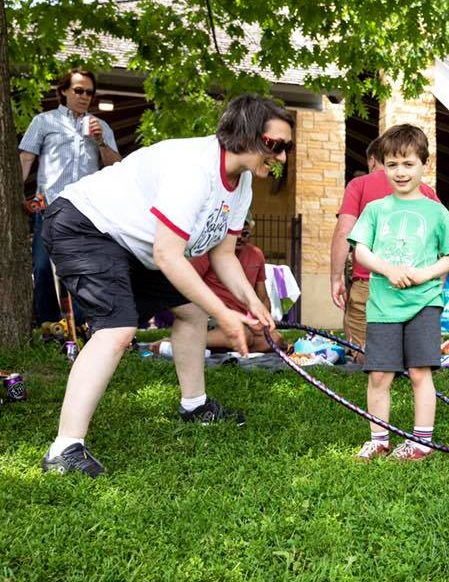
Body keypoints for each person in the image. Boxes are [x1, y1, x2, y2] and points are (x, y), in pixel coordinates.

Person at [39, 94, 291, 477]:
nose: (283, 157)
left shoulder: (240, 185)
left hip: (131, 242)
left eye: (287, 147)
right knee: (117, 329)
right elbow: (169, 256)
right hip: (85, 224)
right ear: (246, 134)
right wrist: (225, 314)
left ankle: (195, 406)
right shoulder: (194, 167)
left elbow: (224, 255)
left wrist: (250, 303)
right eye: (276, 145)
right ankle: (64, 449)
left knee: (191, 311)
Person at [347, 124, 449, 461]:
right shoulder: (376, 210)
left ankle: (421, 443)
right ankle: (379, 439)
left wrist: (425, 274)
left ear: (424, 163)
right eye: (392, 164)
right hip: (383, 305)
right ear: (382, 165)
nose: (400, 172)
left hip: (424, 303)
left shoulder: (436, 211)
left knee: (418, 372)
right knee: (379, 374)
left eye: (408, 164)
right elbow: (361, 251)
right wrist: (388, 270)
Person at [19, 68, 121, 326]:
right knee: (42, 268)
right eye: (78, 90)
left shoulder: (101, 126)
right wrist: (19, 194)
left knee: (82, 270)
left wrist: (100, 142)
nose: (84, 96)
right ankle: (49, 325)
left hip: (86, 210)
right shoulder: (44, 121)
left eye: (89, 92)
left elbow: (117, 167)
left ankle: (83, 325)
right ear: (63, 91)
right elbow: (26, 157)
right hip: (50, 206)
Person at [330, 136, 440, 357]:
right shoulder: (425, 191)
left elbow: (344, 231)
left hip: (369, 285)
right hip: (414, 285)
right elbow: (439, 244)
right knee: (412, 351)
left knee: (362, 350)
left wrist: (336, 278)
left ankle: (375, 359)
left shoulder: (359, 185)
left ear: (372, 160)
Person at [149, 215, 284, 354]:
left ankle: (216, 346)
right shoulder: (211, 252)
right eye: (235, 233)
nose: (239, 237)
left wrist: (262, 320)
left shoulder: (256, 254)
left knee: (275, 339)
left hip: (241, 320)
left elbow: (263, 298)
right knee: (244, 335)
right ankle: (174, 342)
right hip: (212, 316)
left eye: (244, 233)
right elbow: (189, 282)